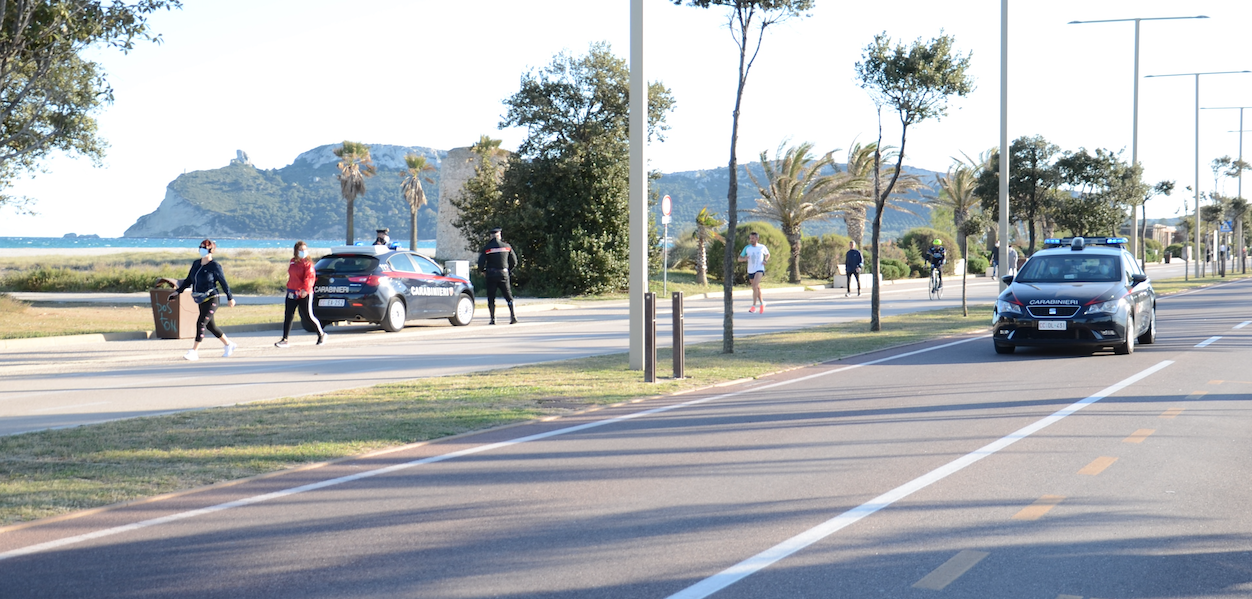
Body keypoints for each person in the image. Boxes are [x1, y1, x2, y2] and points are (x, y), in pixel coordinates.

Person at [170, 239, 237, 361]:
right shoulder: (196, 264)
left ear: (211, 250)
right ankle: (229, 344)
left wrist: (230, 297)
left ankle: (194, 351)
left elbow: (223, 283)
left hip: (212, 298)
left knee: (201, 323)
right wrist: (177, 292)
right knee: (211, 326)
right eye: (200, 247)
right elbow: (189, 280)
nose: (202, 250)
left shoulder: (215, 266)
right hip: (200, 298)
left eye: (204, 248)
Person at [275, 241, 325, 348]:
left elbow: (310, 277)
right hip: (292, 292)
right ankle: (285, 339)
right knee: (288, 315)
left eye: (304, 250)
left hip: (304, 293)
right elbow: (292, 276)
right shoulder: (293, 262)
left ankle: (321, 334)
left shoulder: (308, 264)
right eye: (301, 250)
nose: (303, 252)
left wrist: (305, 289)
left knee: (308, 316)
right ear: (296, 251)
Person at [477, 227, 518, 325]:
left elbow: (480, 263)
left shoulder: (487, 248)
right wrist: (508, 270)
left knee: (491, 297)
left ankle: (493, 319)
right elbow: (514, 262)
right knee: (509, 296)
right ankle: (513, 317)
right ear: (499, 235)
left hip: (491, 274)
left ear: (490, 236)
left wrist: (483, 271)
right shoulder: (507, 246)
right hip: (504, 274)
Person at [738, 231, 771, 313]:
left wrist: (765, 261)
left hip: (759, 268)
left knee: (755, 285)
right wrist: (744, 259)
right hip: (750, 270)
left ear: (757, 238)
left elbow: (768, 254)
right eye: (750, 238)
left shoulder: (762, 247)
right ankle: (762, 302)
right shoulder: (747, 248)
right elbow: (739, 258)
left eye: (753, 238)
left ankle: (753, 306)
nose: (751, 240)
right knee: (756, 287)